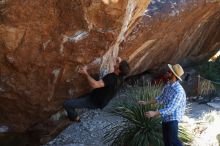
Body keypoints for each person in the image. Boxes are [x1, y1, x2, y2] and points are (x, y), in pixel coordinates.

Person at [64, 57, 130, 122]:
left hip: (93, 101)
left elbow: (95, 85)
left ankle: (76, 118)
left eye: (119, 63)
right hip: (99, 98)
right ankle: (76, 108)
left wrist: (85, 73)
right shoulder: (121, 77)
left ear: (118, 70)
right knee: (77, 100)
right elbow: (120, 66)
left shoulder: (111, 79)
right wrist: (119, 61)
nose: (118, 62)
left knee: (67, 104)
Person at [138, 64, 186, 146]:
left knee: (174, 142)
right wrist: (146, 102)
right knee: (167, 142)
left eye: (169, 71)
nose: (167, 72)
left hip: (173, 120)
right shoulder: (168, 85)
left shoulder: (179, 91)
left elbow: (170, 109)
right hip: (165, 119)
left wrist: (154, 113)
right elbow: (160, 98)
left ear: (174, 75)